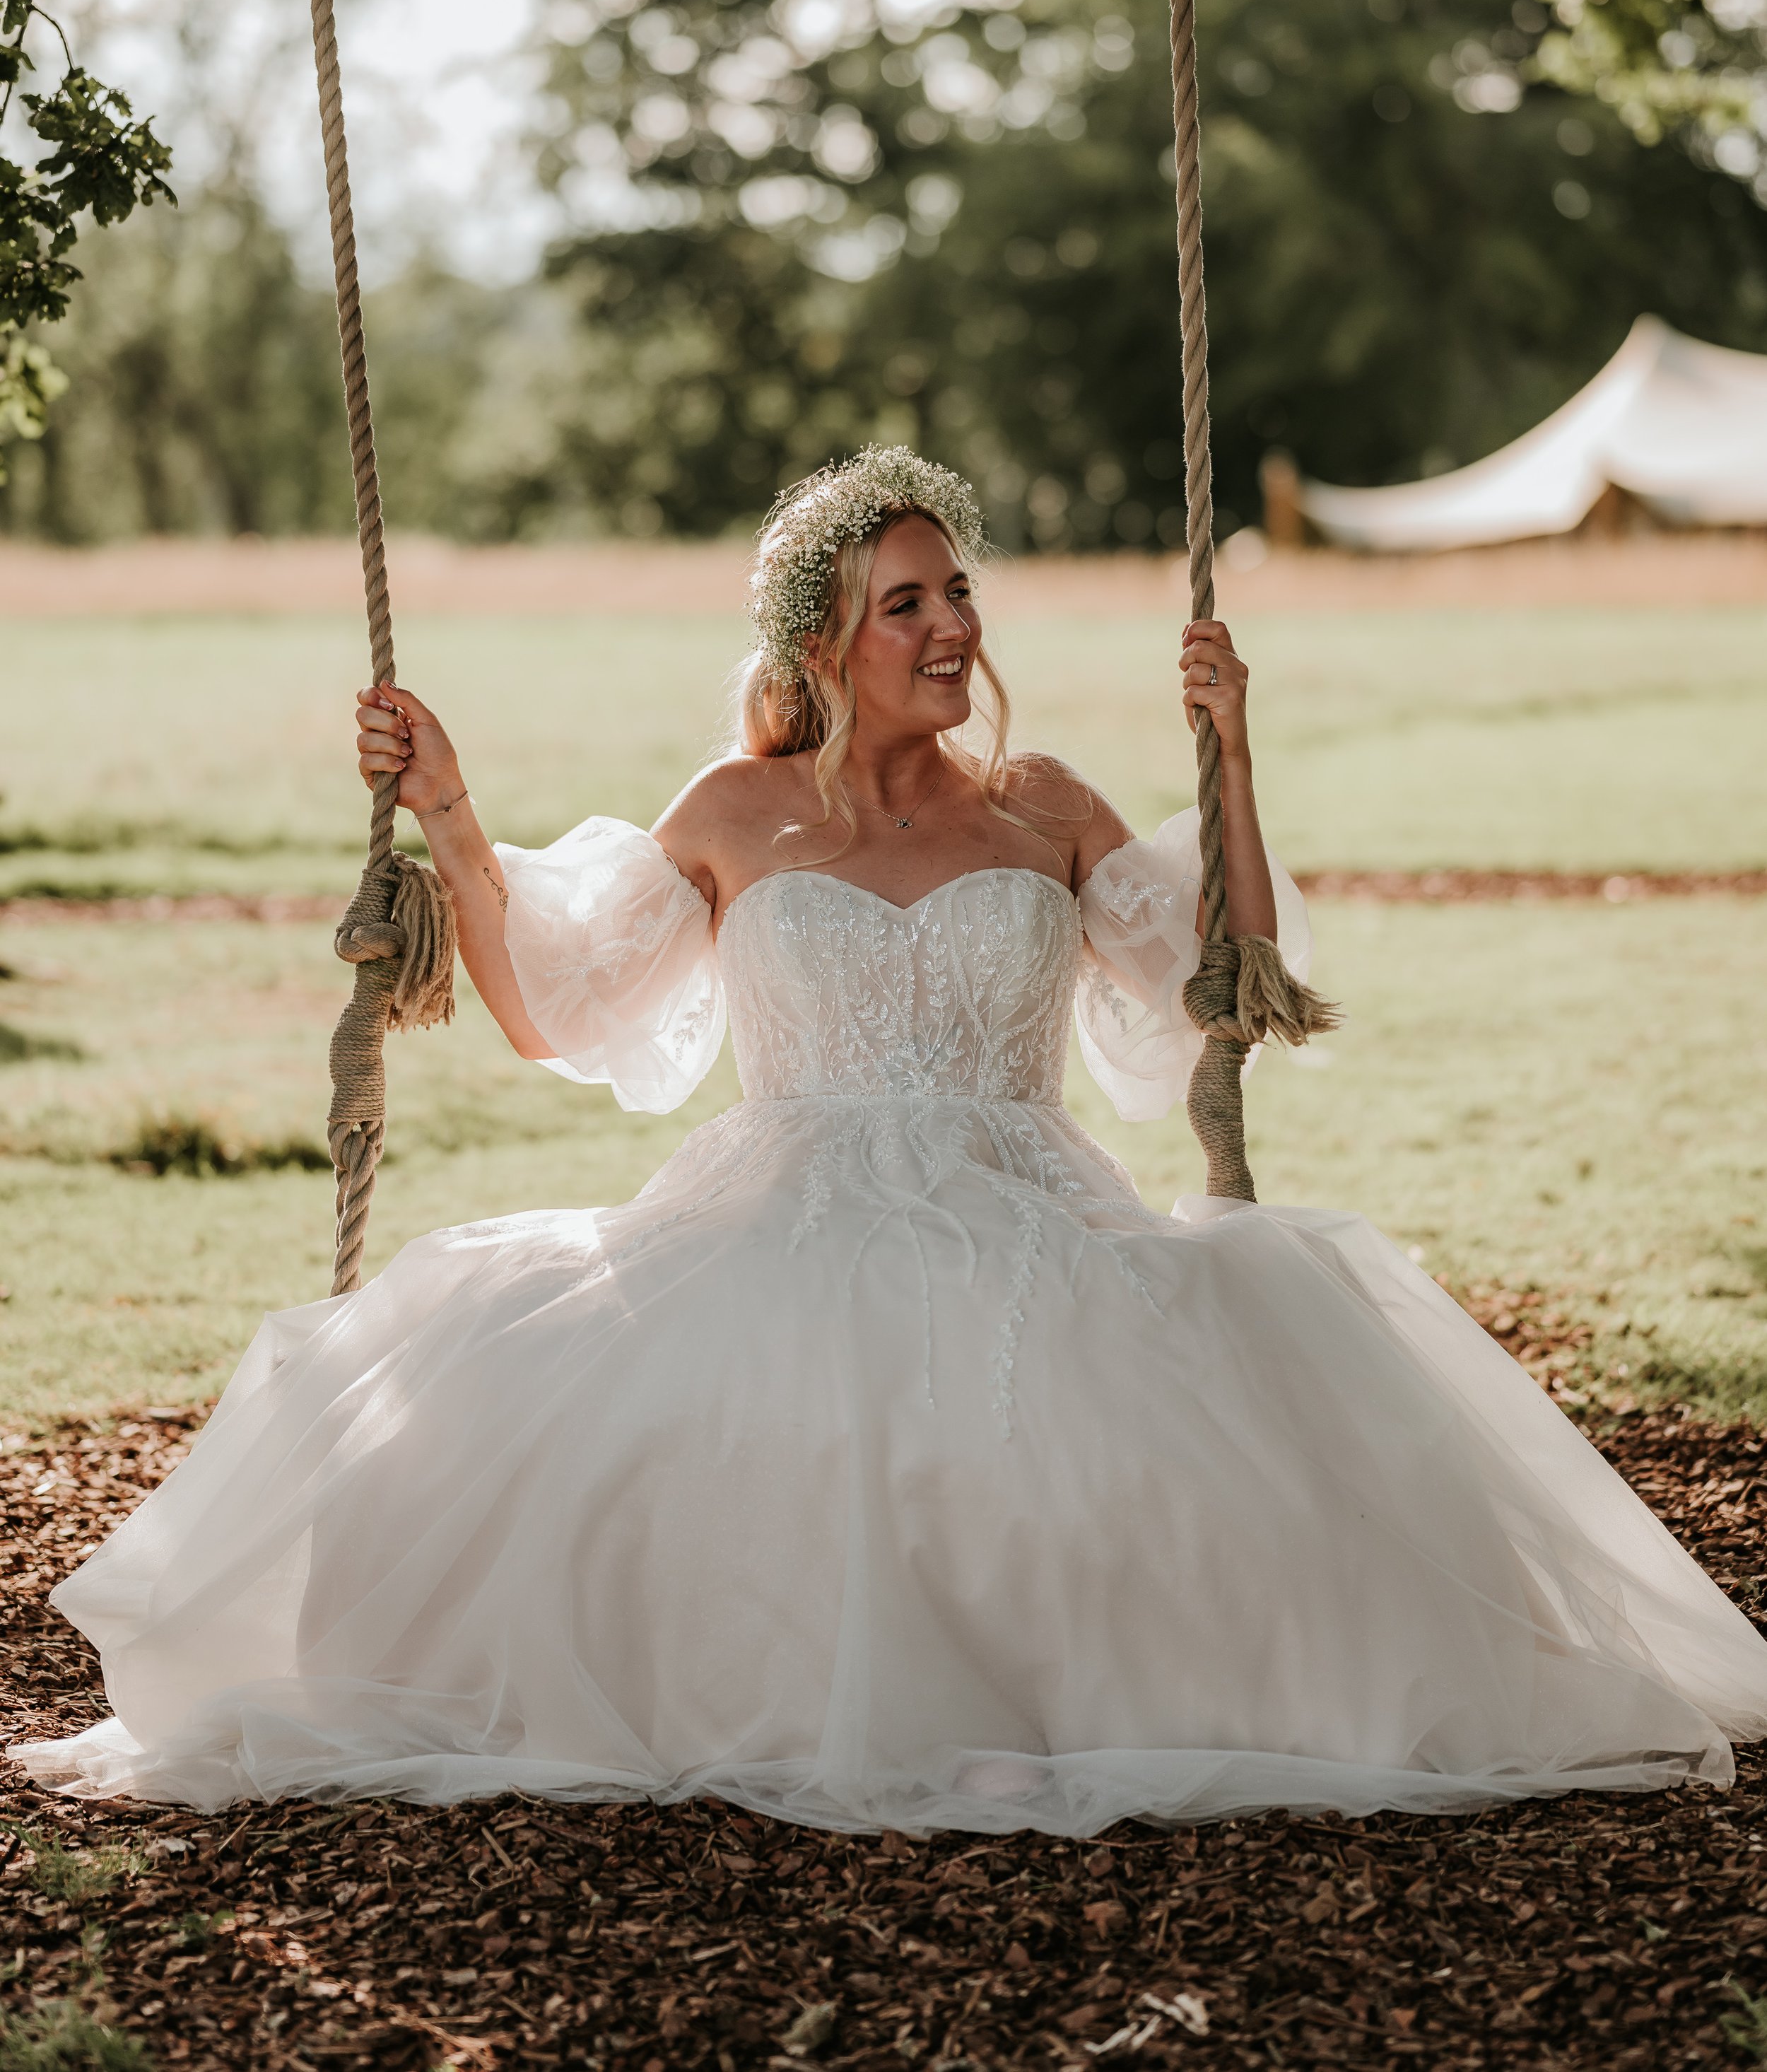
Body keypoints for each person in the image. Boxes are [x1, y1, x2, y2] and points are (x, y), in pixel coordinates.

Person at [15, 445, 1767, 1832]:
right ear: (819, 644)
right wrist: (450, 811)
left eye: (956, 597)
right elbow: (555, 1005)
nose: (950, 632)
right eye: (905, 603)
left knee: (1119, 1436)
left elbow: (1224, 982)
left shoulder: (1043, 806)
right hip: (771, 1210)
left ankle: (1038, 1705)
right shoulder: (733, 815)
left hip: (1031, 1213)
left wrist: (1228, 754)